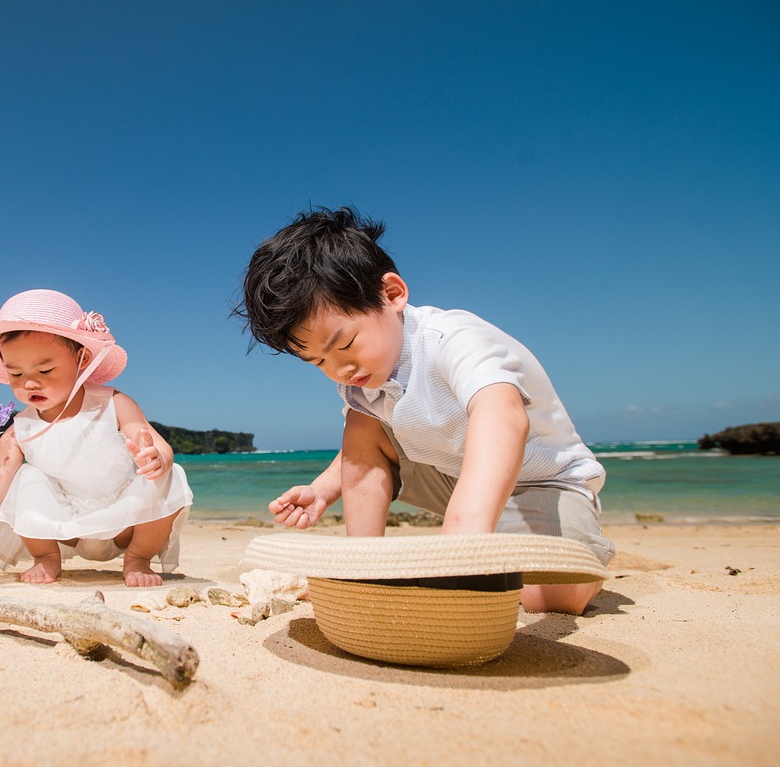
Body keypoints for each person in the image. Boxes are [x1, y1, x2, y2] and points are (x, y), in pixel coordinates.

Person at [232, 207, 614, 614]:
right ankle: (365, 563)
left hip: (546, 483)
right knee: (363, 422)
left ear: (392, 294)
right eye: (318, 362)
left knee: (560, 596)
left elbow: (504, 417)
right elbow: (365, 448)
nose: (338, 369)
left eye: (344, 345)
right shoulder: (362, 378)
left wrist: (460, 538)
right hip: (453, 478)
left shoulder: (454, 339)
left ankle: (491, 544)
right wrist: (324, 489)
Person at [0, 289, 193, 587]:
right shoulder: (21, 429)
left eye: (45, 369)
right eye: (15, 374)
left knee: (169, 476)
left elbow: (154, 443)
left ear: (81, 359)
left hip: (127, 523)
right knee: (24, 477)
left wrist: (156, 458)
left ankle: (138, 558)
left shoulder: (113, 403)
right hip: (67, 529)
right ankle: (45, 557)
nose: (30, 382)